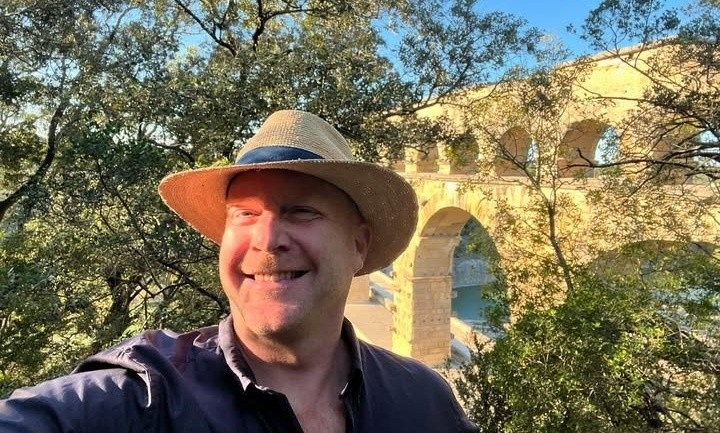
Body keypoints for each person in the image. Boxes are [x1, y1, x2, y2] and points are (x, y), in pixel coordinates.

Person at [0, 110, 478, 432]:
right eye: (244, 214)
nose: (266, 239)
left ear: (358, 245)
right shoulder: (146, 396)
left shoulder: (423, 401)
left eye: (300, 211)